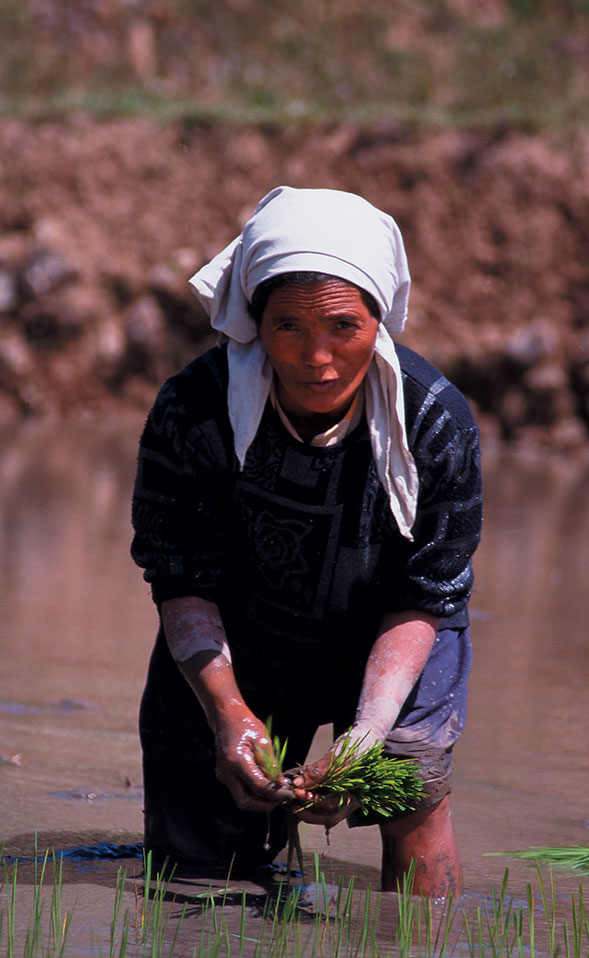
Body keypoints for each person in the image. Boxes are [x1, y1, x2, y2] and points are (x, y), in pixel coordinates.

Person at [131, 185, 482, 898]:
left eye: (342, 327)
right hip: (240, 636)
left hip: (393, 637)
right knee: (197, 877)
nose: (316, 357)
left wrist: (363, 739)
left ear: (379, 320)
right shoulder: (192, 412)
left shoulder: (436, 423)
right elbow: (179, 576)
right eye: (288, 327)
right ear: (255, 321)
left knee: (407, 781)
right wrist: (228, 711)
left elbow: (426, 594)